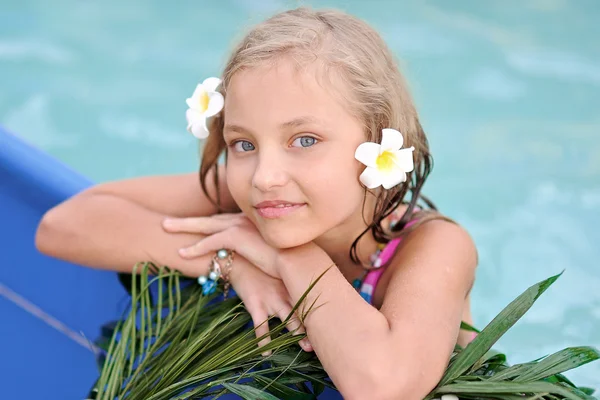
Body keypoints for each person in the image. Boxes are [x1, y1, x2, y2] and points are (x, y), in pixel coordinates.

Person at [35, 7, 478, 400]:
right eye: (243, 143)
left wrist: (291, 257)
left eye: (304, 140)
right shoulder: (251, 199)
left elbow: (383, 386)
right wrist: (229, 259)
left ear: (378, 142)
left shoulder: (432, 246)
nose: (265, 175)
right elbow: (63, 224)